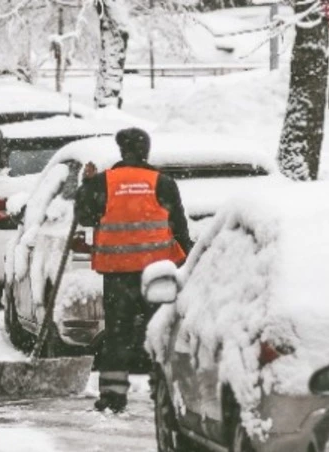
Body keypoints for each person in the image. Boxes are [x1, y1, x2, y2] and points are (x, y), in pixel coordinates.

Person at [75, 127, 193, 413]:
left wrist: (86, 185)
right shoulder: (162, 183)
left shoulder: (105, 182)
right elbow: (179, 226)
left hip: (118, 274)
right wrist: (189, 261)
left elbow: (85, 217)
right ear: (146, 151)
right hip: (156, 275)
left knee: (118, 335)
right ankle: (161, 392)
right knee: (159, 334)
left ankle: (113, 398)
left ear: (121, 150)